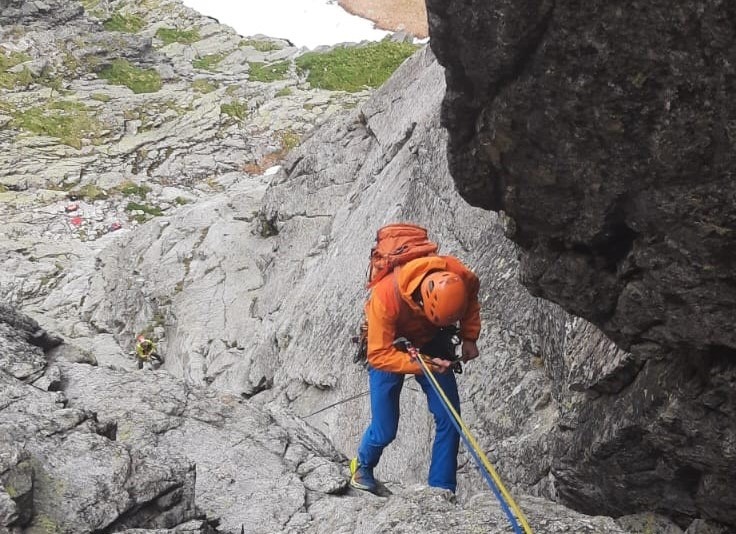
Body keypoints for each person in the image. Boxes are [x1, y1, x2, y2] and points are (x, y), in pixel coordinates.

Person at [350, 254, 481, 494]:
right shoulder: (386, 296)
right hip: (389, 344)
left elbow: (471, 295)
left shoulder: (458, 276)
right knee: (385, 427)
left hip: (431, 339)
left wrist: (470, 336)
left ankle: (441, 489)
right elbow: (378, 355)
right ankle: (362, 467)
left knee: (450, 417)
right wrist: (425, 365)